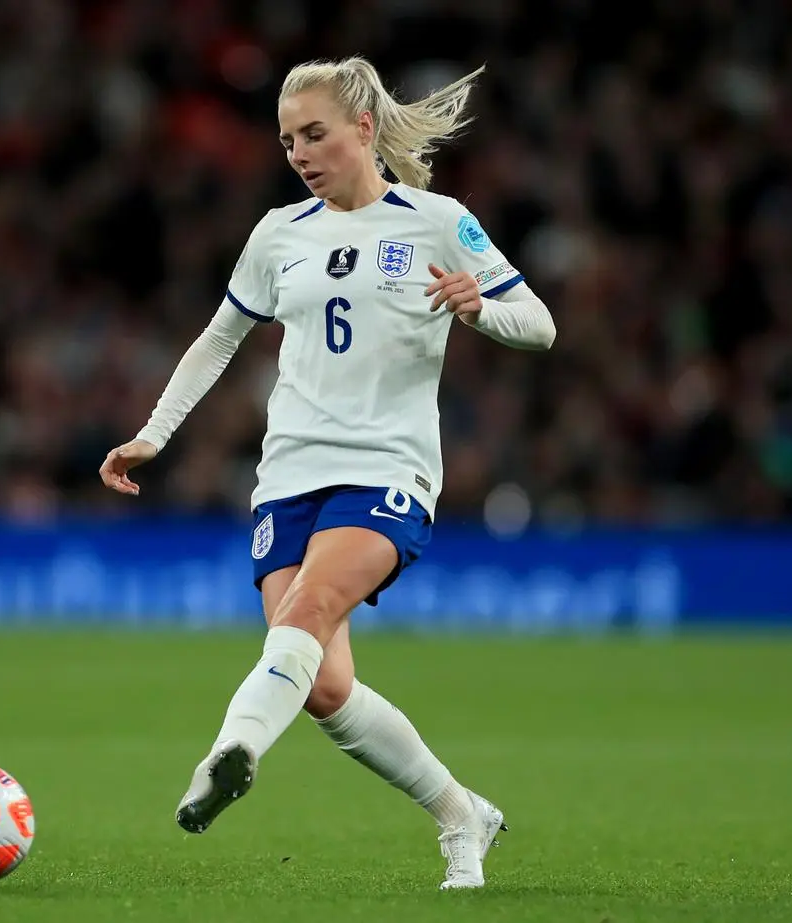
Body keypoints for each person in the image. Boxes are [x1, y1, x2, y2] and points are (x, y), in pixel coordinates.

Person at [99, 55, 555, 890]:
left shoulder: (437, 221)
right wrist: (153, 434)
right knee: (320, 682)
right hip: (288, 475)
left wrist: (478, 307)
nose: (300, 152)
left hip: (388, 467)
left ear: (364, 129)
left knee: (306, 611)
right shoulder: (279, 233)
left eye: (314, 133)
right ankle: (461, 813)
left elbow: (540, 323)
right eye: (286, 140)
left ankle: (231, 747)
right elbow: (218, 339)